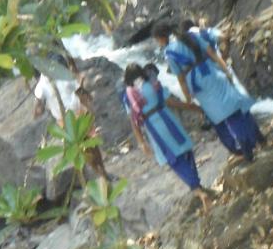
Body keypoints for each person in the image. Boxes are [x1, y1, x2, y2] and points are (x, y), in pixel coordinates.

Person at [153, 21, 263, 163]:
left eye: (157, 40)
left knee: (224, 117)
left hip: (198, 84)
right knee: (234, 111)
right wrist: (226, 70)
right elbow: (212, 53)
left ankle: (245, 150)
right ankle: (255, 140)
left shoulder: (169, 52)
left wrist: (187, 97)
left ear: (161, 38)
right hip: (213, 72)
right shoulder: (190, 37)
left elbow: (180, 77)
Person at [122, 63, 214, 211]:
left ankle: (197, 189)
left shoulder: (129, 96)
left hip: (153, 127)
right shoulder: (152, 84)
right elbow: (171, 101)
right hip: (168, 119)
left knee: (173, 159)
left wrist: (141, 142)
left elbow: (134, 121)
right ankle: (197, 184)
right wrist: (195, 108)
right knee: (185, 150)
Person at [32, 53, 110, 184]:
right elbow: (37, 109)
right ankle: (100, 174)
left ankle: (103, 170)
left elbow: (80, 92)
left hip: (80, 113)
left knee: (93, 144)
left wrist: (90, 110)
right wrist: (39, 107)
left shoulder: (65, 75)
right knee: (83, 148)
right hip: (66, 121)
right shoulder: (42, 85)